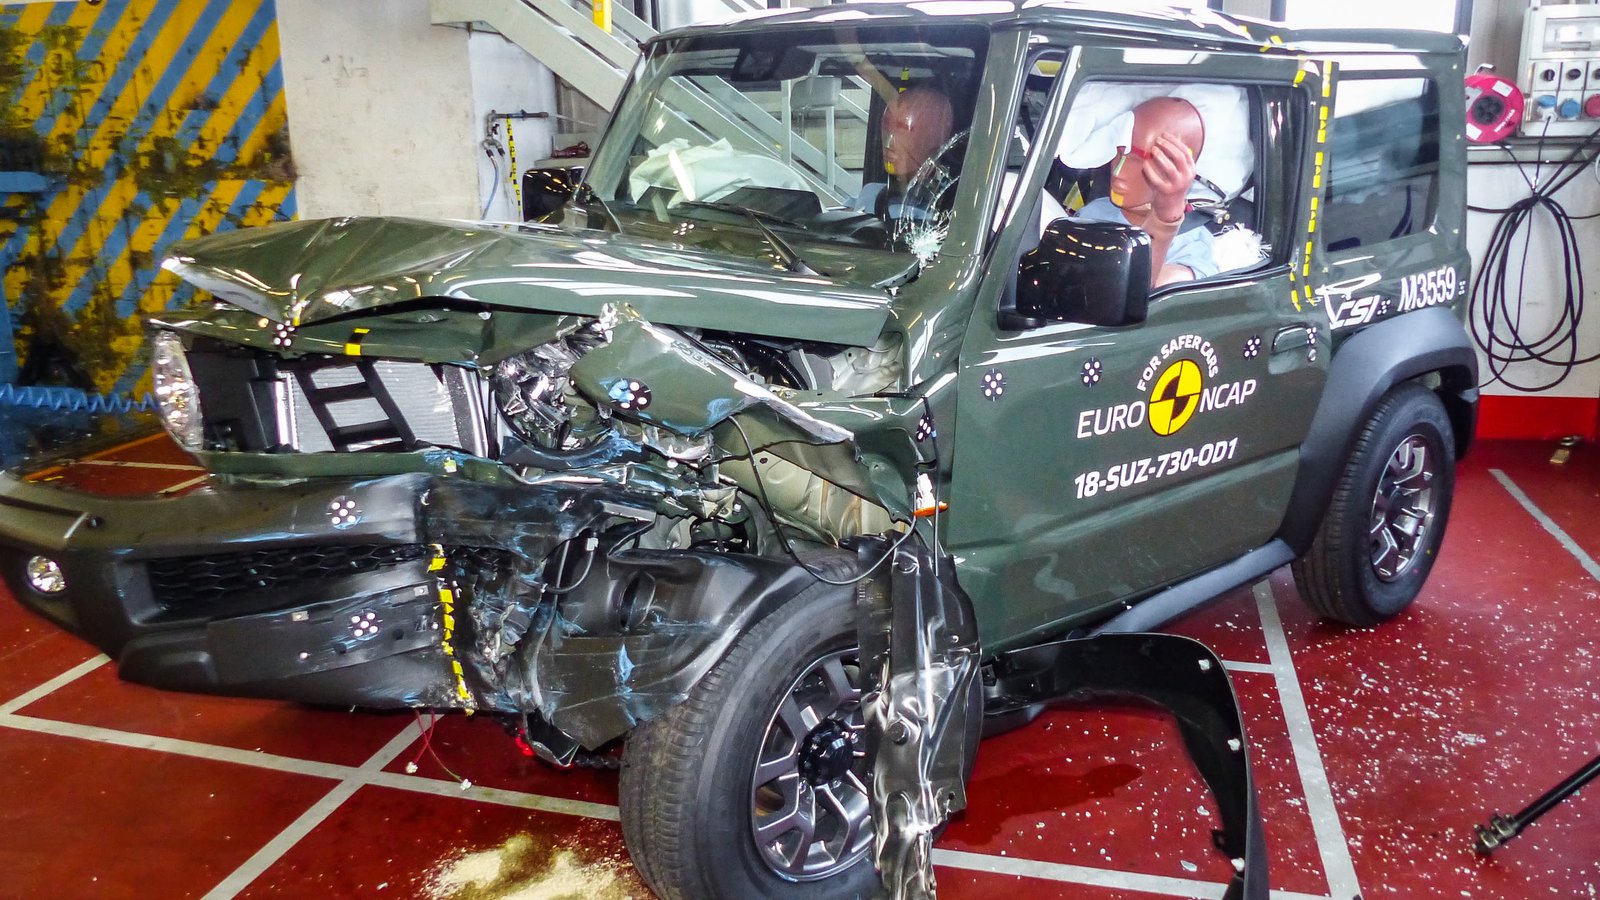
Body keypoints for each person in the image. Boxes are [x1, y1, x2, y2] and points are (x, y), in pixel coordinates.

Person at [1073, 96, 1217, 287]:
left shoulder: (1191, 243)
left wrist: (1165, 220)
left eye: (1136, 160)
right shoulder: (1095, 211)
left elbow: (1137, 291)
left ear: (1175, 167)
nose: (1118, 172)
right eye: (1118, 153)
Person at [854, 87, 955, 217]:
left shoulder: (951, 210)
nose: (888, 142)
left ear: (934, 135)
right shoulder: (871, 194)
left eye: (902, 128)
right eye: (886, 126)